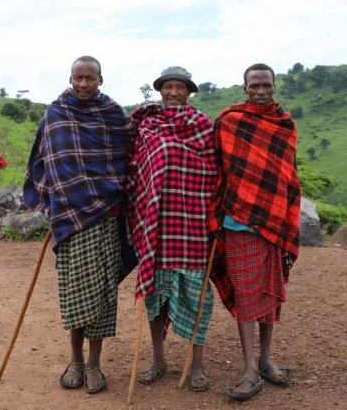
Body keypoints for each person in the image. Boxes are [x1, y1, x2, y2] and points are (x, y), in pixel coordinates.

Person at [23, 56, 132, 394]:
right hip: (70, 219)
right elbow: (43, 160)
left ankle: (96, 363)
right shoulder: (56, 113)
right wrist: (51, 200)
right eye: (77, 77)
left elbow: (131, 154)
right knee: (74, 294)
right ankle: (76, 360)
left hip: (106, 217)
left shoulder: (113, 114)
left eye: (90, 78)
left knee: (102, 293)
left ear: (101, 79)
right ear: (70, 79)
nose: (83, 84)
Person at [208, 63, 301, 401]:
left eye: (266, 85)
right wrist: (213, 214)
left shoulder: (285, 124)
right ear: (244, 87)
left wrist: (288, 215)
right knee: (247, 295)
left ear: (274, 86)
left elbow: (288, 175)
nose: (260, 91)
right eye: (254, 86)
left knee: (270, 292)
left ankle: (265, 359)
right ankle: (249, 367)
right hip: (237, 223)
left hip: (274, 224)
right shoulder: (230, 121)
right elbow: (215, 167)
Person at [127, 66, 217, 392]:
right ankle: (158, 359)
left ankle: (196, 364)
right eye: (169, 87)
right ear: (161, 90)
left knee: (196, 295)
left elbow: (213, 171)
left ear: (189, 91)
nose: (174, 92)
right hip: (155, 224)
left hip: (192, 225)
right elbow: (136, 169)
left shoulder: (202, 125)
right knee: (154, 294)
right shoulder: (147, 124)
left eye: (180, 87)